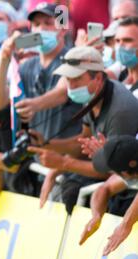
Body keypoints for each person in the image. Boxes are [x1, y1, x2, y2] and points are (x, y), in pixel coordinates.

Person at [30, 46, 138, 213]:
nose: (71, 85)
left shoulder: (120, 111)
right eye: (67, 79)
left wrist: (64, 163)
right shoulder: (92, 94)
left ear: (98, 78)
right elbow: (82, 141)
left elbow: (113, 170)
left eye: (77, 78)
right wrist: (47, 144)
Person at [79, 135, 138, 256]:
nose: (112, 173)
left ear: (130, 167)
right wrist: (96, 215)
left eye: (116, 170)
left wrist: (125, 225)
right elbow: (104, 188)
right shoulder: (132, 167)